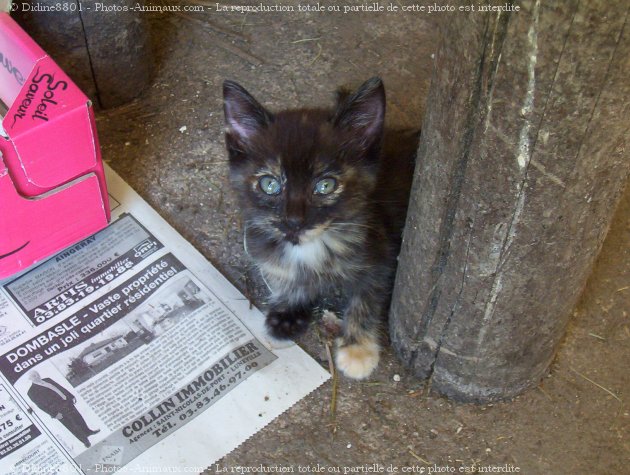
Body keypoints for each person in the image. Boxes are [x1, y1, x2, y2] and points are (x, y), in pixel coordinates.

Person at [27, 371, 100, 448]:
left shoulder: (47, 380)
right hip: (57, 410)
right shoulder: (31, 392)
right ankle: (85, 441)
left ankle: (88, 432)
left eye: (37, 374)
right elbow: (41, 406)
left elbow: (60, 388)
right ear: (30, 379)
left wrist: (71, 396)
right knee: (71, 425)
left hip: (66, 402)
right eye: (34, 376)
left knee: (78, 418)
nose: (37, 376)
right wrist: (54, 414)